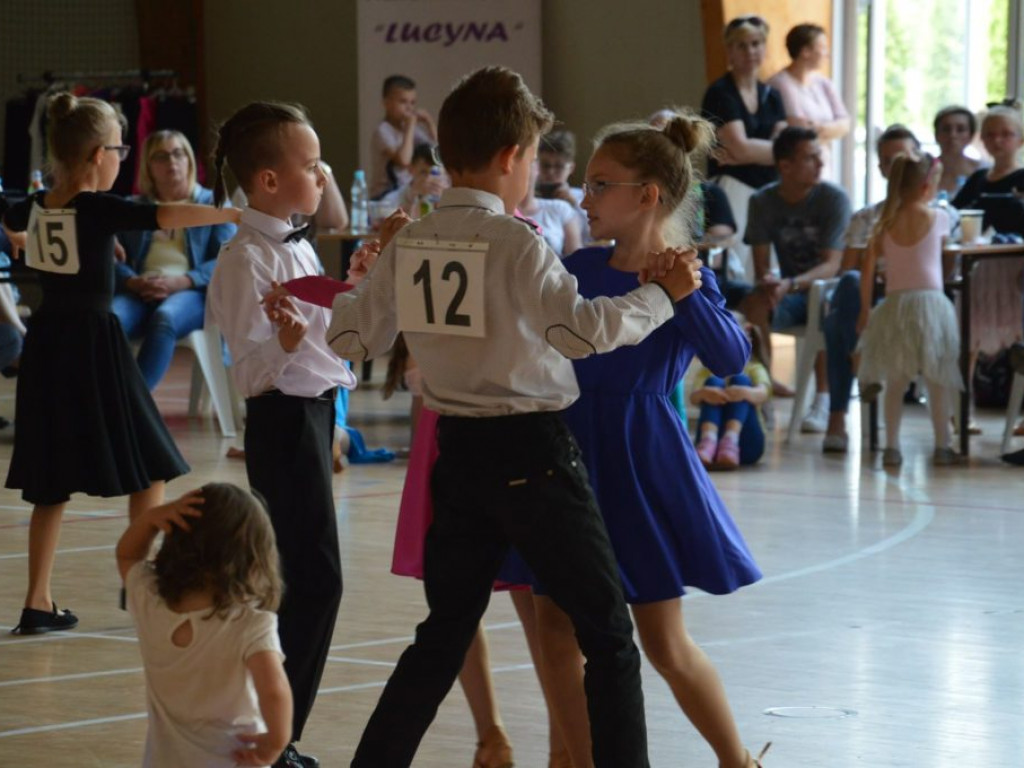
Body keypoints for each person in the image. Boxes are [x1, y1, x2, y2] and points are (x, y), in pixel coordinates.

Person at [293, 65, 703, 768]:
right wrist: (663, 297)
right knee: (606, 634)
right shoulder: (517, 242)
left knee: (444, 631)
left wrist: (371, 273)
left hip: (458, 456)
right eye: (531, 164)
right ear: (512, 158)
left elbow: (352, 339)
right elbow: (579, 335)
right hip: (533, 456)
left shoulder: (415, 238)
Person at [521, 111, 765, 768]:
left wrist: (684, 295)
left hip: (639, 460)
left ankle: (737, 760)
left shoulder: (689, 275)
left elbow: (732, 355)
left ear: (647, 195)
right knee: (553, 627)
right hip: (567, 453)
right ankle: (572, 757)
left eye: (601, 184)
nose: (584, 197)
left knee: (663, 643)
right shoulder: (576, 265)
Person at [1, 92, 238, 635]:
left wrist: (17, 236)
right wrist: (234, 212)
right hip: (93, 345)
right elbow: (166, 212)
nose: (123, 156)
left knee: (50, 481)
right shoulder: (94, 206)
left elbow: (10, 213)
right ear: (93, 156)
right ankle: (142, 588)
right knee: (152, 463)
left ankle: (38, 601)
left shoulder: (39, 204)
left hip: (47, 346)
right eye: (118, 147)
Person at [207, 101, 355, 768]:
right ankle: (278, 738)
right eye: (310, 162)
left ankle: (278, 735)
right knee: (312, 579)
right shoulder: (245, 260)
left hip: (314, 415)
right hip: (282, 422)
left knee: (306, 577)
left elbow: (324, 327)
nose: (322, 173)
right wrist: (288, 345)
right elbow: (251, 369)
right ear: (268, 181)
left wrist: (359, 278)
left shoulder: (294, 244)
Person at [116, 484, 292, 768]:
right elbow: (274, 690)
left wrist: (151, 518)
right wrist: (275, 742)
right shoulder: (252, 625)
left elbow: (127, 555)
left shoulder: (149, 600)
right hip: (235, 759)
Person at [857, 153, 964, 466]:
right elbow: (947, 259)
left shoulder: (883, 224)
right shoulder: (939, 218)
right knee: (937, 379)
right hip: (932, 305)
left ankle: (892, 446)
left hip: (895, 308)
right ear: (927, 186)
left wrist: (865, 311)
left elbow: (866, 274)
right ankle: (943, 445)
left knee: (896, 380)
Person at [821, 124, 923, 452]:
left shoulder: (937, 215)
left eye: (902, 159)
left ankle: (859, 365)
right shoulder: (866, 217)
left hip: (912, 300)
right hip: (867, 302)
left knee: (839, 320)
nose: (895, 167)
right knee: (849, 289)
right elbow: (847, 269)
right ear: (879, 168)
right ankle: (848, 393)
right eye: (887, 161)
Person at [741, 126, 852, 419]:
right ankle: (762, 390)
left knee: (826, 307)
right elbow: (761, 262)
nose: (820, 164)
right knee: (755, 305)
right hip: (788, 290)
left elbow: (832, 265)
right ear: (785, 166)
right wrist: (768, 283)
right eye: (811, 158)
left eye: (820, 156)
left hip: (827, 290)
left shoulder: (833, 199)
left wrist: (789, 283)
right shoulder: (762, 201)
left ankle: (823, 398)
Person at [113, 130, 237, 390]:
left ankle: (135, 404)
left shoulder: (212, 204)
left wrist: (182, 281)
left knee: (165, 317)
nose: (172, 161)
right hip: (140, 290)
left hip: (192, 292)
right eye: (161, 156)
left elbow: (229, 261)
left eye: (178, 153)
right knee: (110, 320)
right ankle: (102, 400)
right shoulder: (133, 207)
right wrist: (132, 282)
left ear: (190, 161)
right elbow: (112, 258)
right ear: (148, 166)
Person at [701, 15, 788, 283]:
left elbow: (783, 147)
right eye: (742, 45)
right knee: (734, 267)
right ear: (730, 51)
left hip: (769, 191)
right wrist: (778, 151)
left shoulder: (772, 95)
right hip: (732, 188)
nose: (750, 51)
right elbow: (739, 148)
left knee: (766, 270)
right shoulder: (720, 92)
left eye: (756, 43)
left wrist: (752, 151)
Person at [952, 106, 1024, 400]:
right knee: (970, 336)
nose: (998, 141)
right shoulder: (977, 179)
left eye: (1006, 135)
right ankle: (962, 407)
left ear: (1019, 140)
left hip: (1016, 272)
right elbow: (953, 216)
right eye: (991, 135)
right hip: (979, 271)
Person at [768, 24, 850, 180]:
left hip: (824, 166)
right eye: (823, 47)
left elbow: (845, 124)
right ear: (805, 51)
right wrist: (829, 130)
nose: (827, 53)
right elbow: (798, 128)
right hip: (796, 170)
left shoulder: (824, 83)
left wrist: (818, 128)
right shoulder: (780, 84)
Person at [692, 324, 772, 469]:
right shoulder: (707, 370)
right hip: (711, 444)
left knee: (741, 380)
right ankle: (708, 440)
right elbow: (694, 397)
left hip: (746, 444)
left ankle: (730, 440)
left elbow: (763, 392)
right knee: (713, 382)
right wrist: (706, 393)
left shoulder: (755, 368)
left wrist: (744, 392)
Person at [370, 75, 438, 200]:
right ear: (386, 103)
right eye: (403, 102)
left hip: (404, 193)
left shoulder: (410, 130)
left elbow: (435, 151)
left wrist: (430, 123)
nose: (409, 108)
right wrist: (411, 125)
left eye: (412, 103)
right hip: (384, 196)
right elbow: (403, 160)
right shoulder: (383, 131)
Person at [520, 154, 582, 257]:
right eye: (546, 166)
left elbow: (577, 260)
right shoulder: (499, 211)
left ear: (537, 168)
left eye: (530, 162)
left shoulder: (561, 208)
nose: (551, 172)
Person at [536, 129, 589, 242]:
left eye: (559, 166)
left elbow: (593, 236)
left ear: (571, 168)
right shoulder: (528, 199)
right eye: (545, 165)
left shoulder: (582, 198)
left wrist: (574, 204)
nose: (551, 172)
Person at [933, 106, 982, 196]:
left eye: (960, 129)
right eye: (946, 129)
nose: (952, 135)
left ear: (971, 136)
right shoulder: (923, 171)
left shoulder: (983, 171)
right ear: (936, 134)